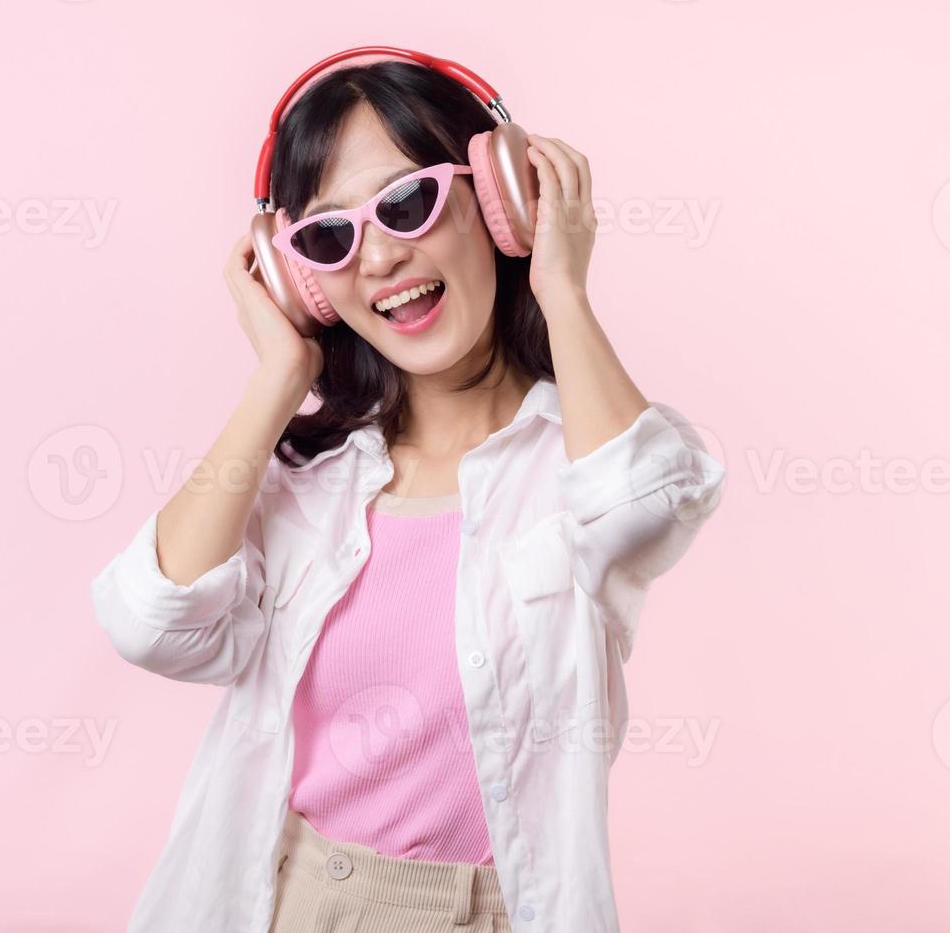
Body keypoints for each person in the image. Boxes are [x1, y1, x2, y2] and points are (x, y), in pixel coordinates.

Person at [89, 53, 726, 933]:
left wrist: (563, 286)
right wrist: (281, 372)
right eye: (327, 238)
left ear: (501, 197)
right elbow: (151, 623)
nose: (381, 256)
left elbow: (646, 509)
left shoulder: (578, 455)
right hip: (294, 900)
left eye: (407, 202)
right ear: (298, 279)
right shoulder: (309, 484)